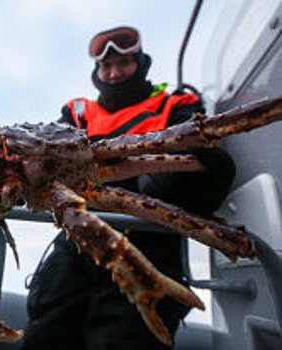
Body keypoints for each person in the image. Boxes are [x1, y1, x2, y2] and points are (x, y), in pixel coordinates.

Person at [22, 26, 235, 349]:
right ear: (97, 71)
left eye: (123, 63)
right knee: (46, 333)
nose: (114, 72)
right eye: (106, 66)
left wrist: (142, 179)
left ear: (140, 62)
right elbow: (47, 162)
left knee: (127, 339)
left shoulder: (174, 104)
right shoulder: (79, 113)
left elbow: (203, 155)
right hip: (74, 241)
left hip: (149, 240)